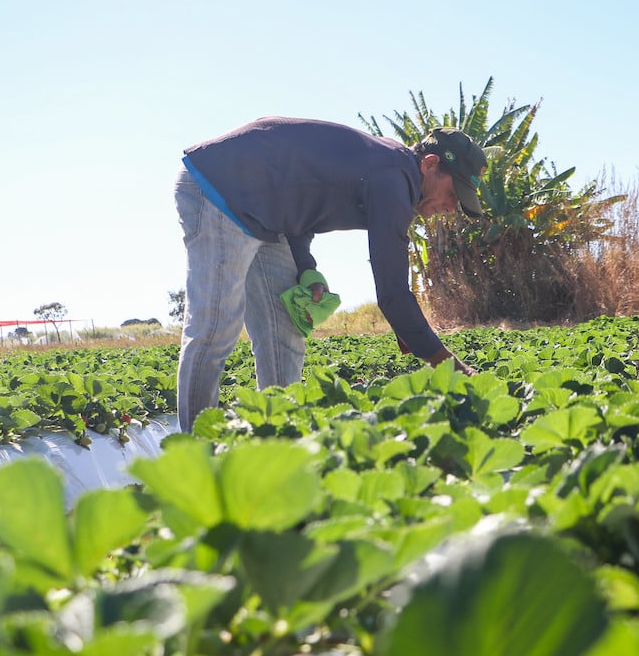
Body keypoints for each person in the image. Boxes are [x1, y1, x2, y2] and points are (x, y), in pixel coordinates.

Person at [173, 116, 486, 432]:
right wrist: (454, 369)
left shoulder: (391, 169)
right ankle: (196, 454)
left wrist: (306, 268)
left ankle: (278, 441)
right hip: (220, 184)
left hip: (266, 212)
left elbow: (299, 204)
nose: (450, 208)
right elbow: (392, 293)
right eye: (452, 195)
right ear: (430, 164)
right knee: (216, 325)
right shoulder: (394, 178)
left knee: (284, 332)